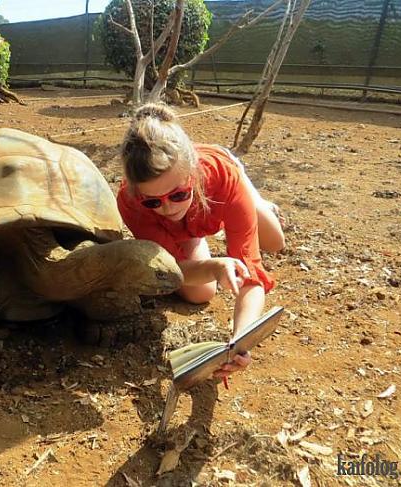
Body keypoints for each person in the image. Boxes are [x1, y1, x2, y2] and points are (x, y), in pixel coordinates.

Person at [116, 103, 285, 383]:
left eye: (178, 194)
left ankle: (250, 198)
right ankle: (196, 229)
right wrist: (215, 267)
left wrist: (238, 341)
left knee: (274, 241)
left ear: (191, 175)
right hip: (193, 218)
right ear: (138, 194)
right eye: (154, 201)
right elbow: (173, 270)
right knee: (200, 293)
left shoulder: (219, 175)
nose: (168, 208)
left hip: (220, 187)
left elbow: (251, 273)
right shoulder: (131, 201)